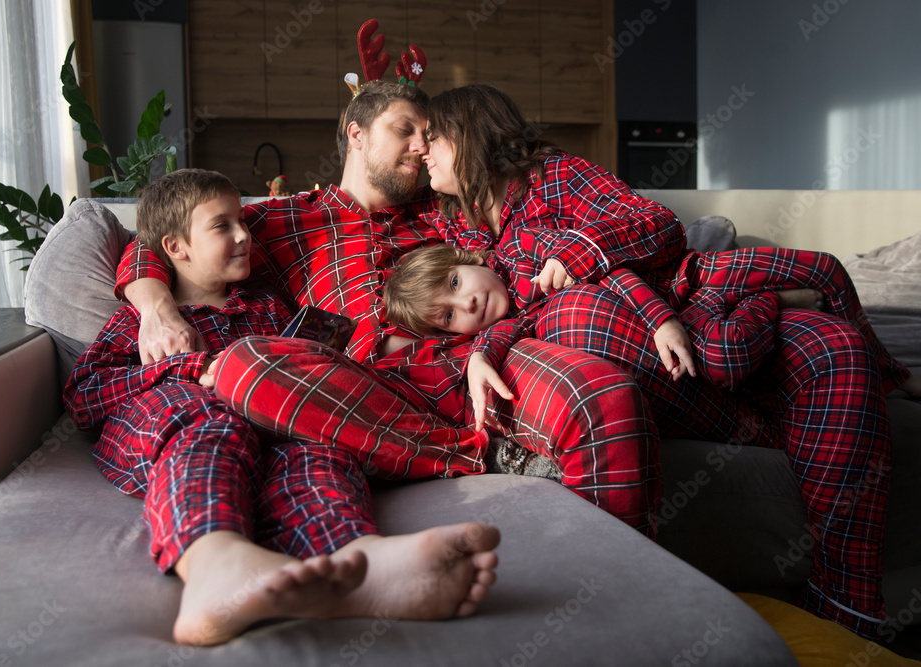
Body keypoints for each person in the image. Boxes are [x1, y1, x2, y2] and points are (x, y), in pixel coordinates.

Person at [417, 82, 918, 638]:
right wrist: (481, 352)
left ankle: (846, 602)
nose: (423, 151)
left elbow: (657, 222)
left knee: (834, 345)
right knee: (580, 315)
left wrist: (579, 251)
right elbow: (456, 308)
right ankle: (756, 413)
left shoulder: (555, 176)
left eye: (433, 138)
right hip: (628, 335)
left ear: (469, 135)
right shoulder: (456, 229)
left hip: (688, 306)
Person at [114, 80, 662, 536]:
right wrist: (156, 305)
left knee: (605, 398)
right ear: (356, 134)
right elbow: (164, 238)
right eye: (404, 131)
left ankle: (618, 598)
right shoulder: (284, 220)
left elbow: (531, 218)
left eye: (427, 137)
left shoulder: (448, 206)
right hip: (367, 391)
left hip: (478, 365)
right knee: (244, 367)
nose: (420, 148)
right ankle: (474, 454)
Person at [64, 168, 501, 646]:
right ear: (175, 247)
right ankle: (215, 564)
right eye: (222, 226)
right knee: (209, 421)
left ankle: (358, 565)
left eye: (243, 223)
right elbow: (84, 397)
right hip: (170, 421)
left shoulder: (267, 308)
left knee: (314, 450)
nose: (243, 236)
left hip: (266, 434)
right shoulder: (140, 323)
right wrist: (192, 369)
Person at [383, 243, 830, 425]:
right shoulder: (511, 323)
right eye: (448, 317)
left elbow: (613, 271)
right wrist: (480, 357)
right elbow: (504, 332)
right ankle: (765, 301)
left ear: (470, 258)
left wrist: (659, 319)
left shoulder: (528, 257)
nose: (468, 305)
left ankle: (762, 296)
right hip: (674, 330)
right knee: (723, 363)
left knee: (725, 354)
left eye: (456, 285)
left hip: (672, 299)